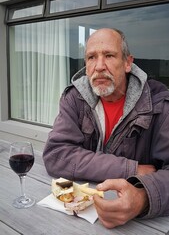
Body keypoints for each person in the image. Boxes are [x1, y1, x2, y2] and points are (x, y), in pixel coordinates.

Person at [43, 28, 169, 228]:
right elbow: (56, 154)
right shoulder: (74, 98)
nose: (99, 66)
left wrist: (143, 198)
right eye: (91, 57)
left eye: (109, 55)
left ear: (128, 62)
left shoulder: (160, 104)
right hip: (75, 218)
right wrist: (131, 168)